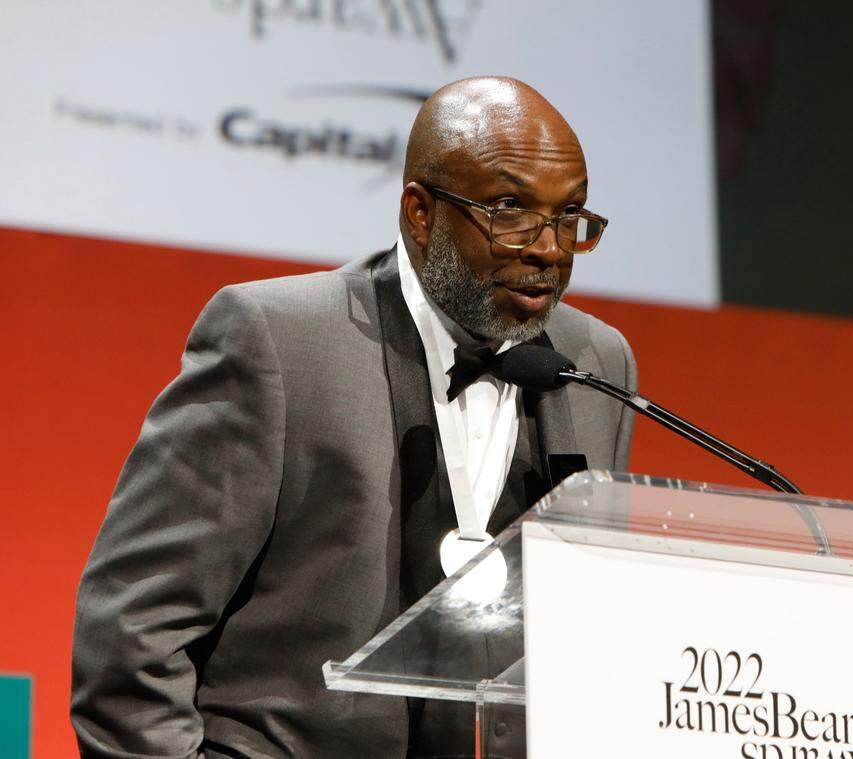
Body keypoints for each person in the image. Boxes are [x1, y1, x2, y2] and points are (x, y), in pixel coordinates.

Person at [71, 77, 636, 758]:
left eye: (569, 216)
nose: (549, 248)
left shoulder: (596, 362)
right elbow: (132, 626)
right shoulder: (280, 342)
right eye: (510, 209)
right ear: (420, 213)